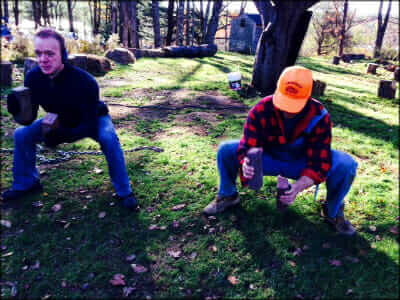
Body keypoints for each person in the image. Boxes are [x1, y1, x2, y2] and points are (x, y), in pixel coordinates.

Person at [203, 66, 358, 235]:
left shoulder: (319, 116)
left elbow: (319, 162)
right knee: (226, 150)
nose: (287, 111)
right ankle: (228, 195)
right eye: (285, 102)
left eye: (294, 105)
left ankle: (332, 210)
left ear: (308, 96)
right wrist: (246, 161)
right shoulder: (261, 109)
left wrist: (298, 187)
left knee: (346, 164)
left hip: (300, 162)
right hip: (269, 158)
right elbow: (248, 145)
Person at [2, 28, 137, 210]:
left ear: (63, 55)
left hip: (92, 118)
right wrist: (16, 109)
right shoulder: (33, 78)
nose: (43, 59)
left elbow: (88, 127)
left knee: (108, 138)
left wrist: (61, 136)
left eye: (50, 53)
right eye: (39, 53)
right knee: (21, 134)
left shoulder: (86, 82)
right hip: (60, 119)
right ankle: (26, 183)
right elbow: (29, 118)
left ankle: (124, 191)